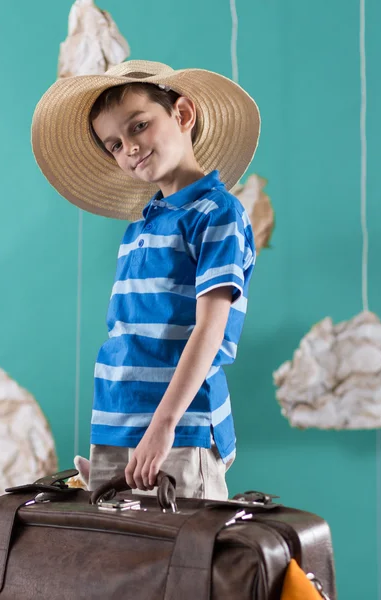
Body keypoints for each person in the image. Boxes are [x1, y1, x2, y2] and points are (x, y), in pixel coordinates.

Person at [32, 60, 260, 500]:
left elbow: (209, 331)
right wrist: (111, 447)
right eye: (113, 144)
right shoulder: (139, 229)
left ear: (183, 114)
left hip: (181, 430)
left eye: (139, 126)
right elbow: (130, 335)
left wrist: (162, 427)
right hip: (118, 425)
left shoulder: (217, 214)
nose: (129, 149)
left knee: (187, 563)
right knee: (121, 563)